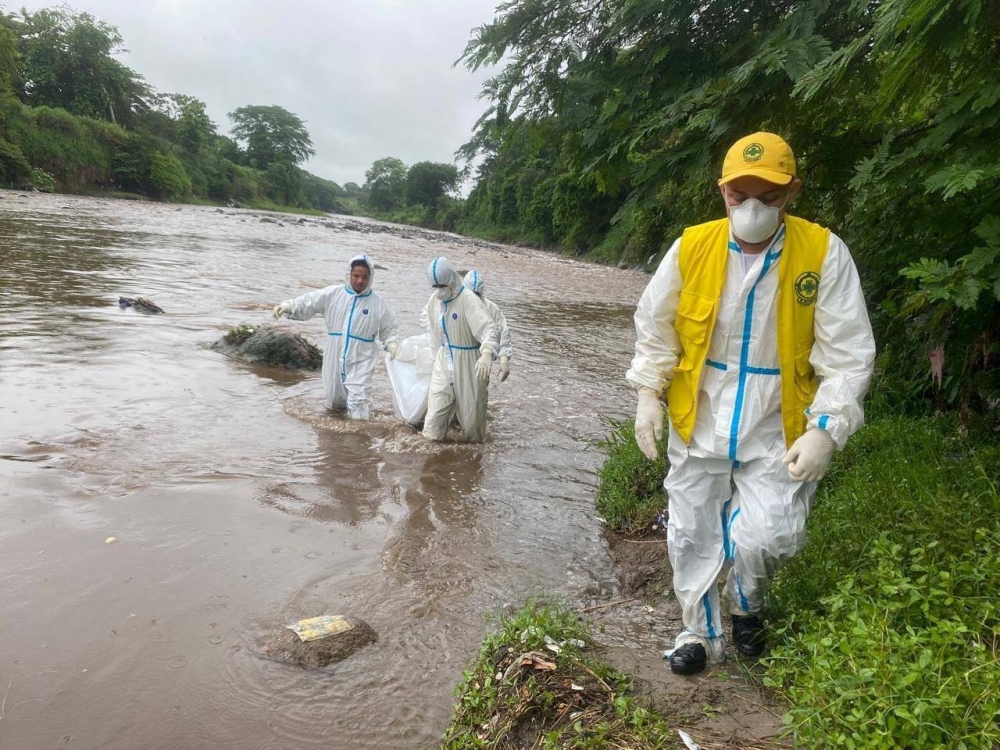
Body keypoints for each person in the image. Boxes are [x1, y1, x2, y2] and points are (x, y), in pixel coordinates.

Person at [626, 132, 876, 676]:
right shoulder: (693, 246)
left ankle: (746, 605)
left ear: (792, 193)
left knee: (770, 534)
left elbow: (849, 351)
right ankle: (699, 630)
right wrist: (648, 392)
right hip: (702, 411)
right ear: (723, 192)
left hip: (777, 419)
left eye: (768, 194)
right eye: (741, 195)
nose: (753, 206)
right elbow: (656, 323)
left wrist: (825, 429)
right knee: (692, 531)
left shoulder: (822, 253)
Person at [273, 254, 399, 420]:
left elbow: (389, 328)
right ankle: (335, 443)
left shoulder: (378, 304)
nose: (360, 281)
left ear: (371, 278)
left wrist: (391, 343)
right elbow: (308, 302)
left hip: (361, 358)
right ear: (349, 274)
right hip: (334, 353)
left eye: (365, 277)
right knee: (334, 404)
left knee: (359, 404)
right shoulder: (333, 294)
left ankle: (358, 439)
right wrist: (289, 306)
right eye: (356, 276)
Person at [422, 257, 497, 443]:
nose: (439, 290)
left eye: (442, 285)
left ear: (451, 279)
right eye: (435, 286)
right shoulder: (435, 301)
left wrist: (487, 353)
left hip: (470, 363)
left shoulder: (468, 300)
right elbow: (432, 331)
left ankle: (473, 465)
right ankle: (434, 464)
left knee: (473, 427)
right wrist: (434, 358)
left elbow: (489, 328)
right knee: (434, 420)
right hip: (444, 360)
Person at [462, 269, 513, 382]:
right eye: (470, 294)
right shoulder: (456, 304)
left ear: (482, 292)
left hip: (482, 358)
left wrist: (504, 359)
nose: (473, 299)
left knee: (477, 396)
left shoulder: (491, 309)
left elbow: (503, 332)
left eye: (477, 295)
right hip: (457, 358)